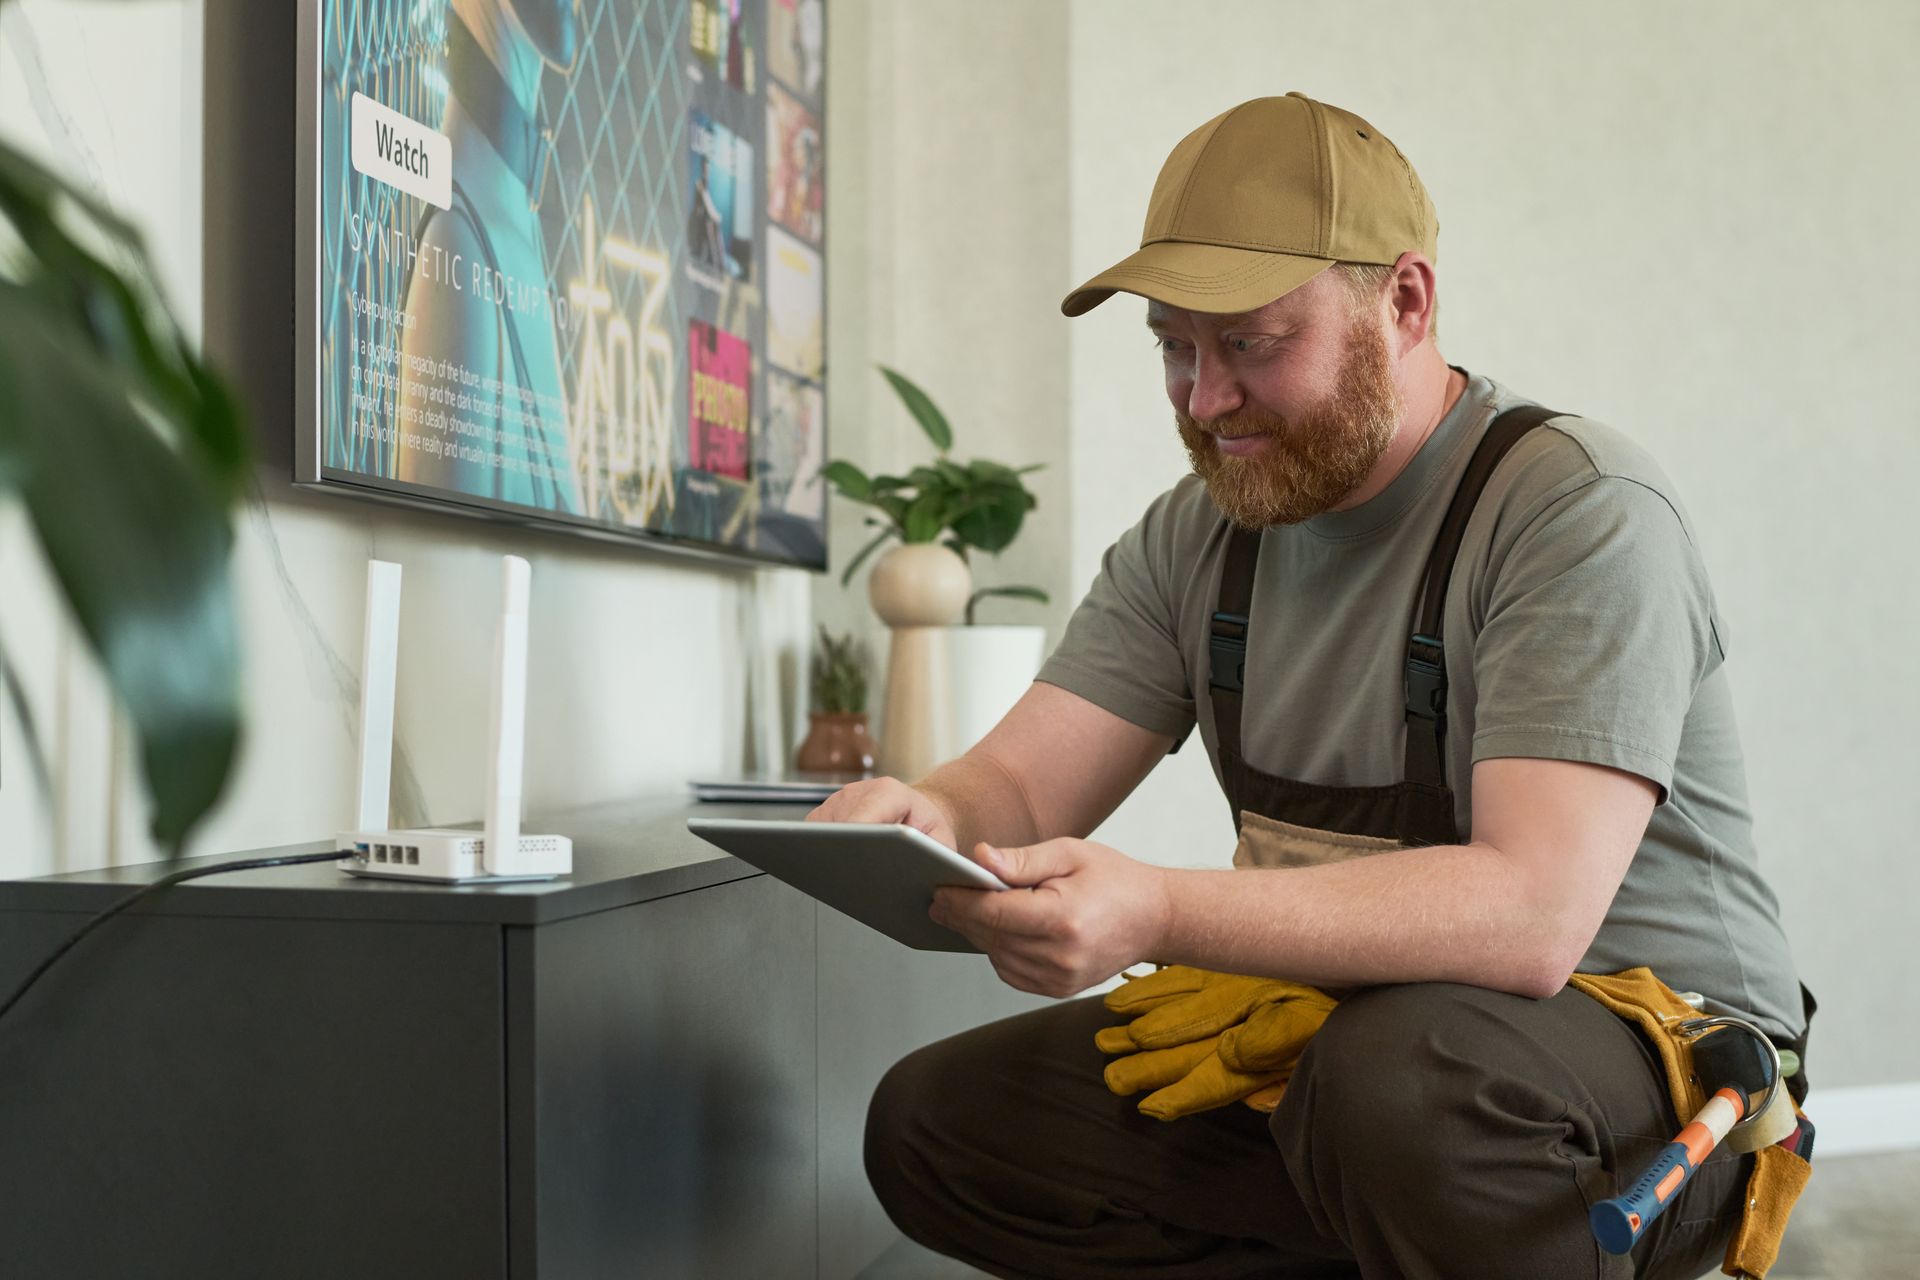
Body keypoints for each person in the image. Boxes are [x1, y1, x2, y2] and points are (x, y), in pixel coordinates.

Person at [810, 93, 1810, 1278]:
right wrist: (935, 815)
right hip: (1351, 1051)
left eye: (1249, 342)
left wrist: (1161, 909)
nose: (1202, 397)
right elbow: (1022, 781)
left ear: (1404, 301)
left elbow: (1532, 914)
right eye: (1175, 345)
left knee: (1398, 1090)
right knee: (941, 1126)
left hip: (1656, 1083)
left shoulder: (1577, 510)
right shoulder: (1198, 536)